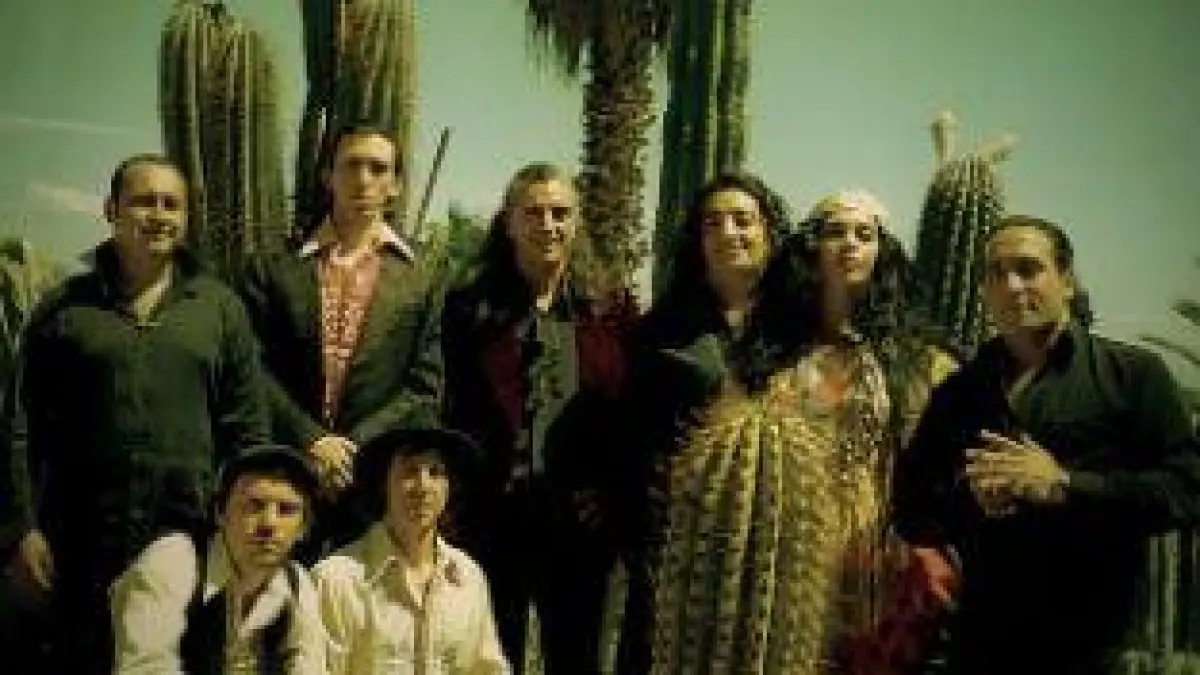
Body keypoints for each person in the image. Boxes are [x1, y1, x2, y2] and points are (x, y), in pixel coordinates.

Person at [891, 214, 1200, 674]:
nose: (1012, 286)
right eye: (997, 274)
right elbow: (912, 498)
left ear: (1067, 281)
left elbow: (1186, 489)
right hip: (980, 643)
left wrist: (1064, 486)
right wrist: (967, 499)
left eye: (1028, 269)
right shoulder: (961, 390)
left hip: (1092, 647)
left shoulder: (1133, 375)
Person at [0, 153, 270, 673]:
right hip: (77, 545)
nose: (159, 215)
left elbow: (247, 429)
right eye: (144, 201)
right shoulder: (65, 310)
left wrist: (241, 538)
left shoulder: (219, 310)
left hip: (186, 541)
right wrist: (21, 529)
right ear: (111, 210)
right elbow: (19, 426)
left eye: (172, 204)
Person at [743, 189, 960, 673]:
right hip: (792, 540)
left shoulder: (915, 359)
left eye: (864, 234)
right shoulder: (773, 351)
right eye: (835, 232)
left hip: (879, 544)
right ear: (812, 248)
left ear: (882, 252)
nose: (850, 243)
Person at [441, 162, 627, 675]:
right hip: (491, 519)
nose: (548, 225)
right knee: (487, 659)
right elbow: (448, 408)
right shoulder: (469, 310)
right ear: (509, 222)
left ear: (576, 222)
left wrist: (609, 494)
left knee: (577, 660)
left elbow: (627, 416)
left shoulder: (609, 312)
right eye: (534, 213)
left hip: (577, 526)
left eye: (560, 213)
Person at [616, 172, 803, 674]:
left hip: (771, 546)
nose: (727, 233)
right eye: (712, 223)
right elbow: (633, 439)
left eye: (742, 220)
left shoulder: (798, 329)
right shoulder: (664, 330)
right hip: (681, 546)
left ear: (769, 232)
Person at [241, 122, 443, 556]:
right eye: (351, 165)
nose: (363, 179)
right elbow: (252, 366)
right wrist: (311, 439)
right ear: (327, 176)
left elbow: (423, 385)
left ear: (396, 185)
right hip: (285, 478)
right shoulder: (273, 268)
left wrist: (353, 448)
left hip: (373, 483)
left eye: (378, 168)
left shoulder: (423, 277)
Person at [110, 444, 326, 673]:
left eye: (286, 510)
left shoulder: (296, 582)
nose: (269, 523)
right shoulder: (174, 561)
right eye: (254, 506)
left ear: (303, 528)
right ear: (220, 513)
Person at [313, 426, 509, 674]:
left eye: (435, 473)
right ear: (384, 483)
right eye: (409, 472)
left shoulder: (468, 577)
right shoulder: (336, 580)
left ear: (449, 488)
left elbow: (488, 669)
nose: (423, 487)